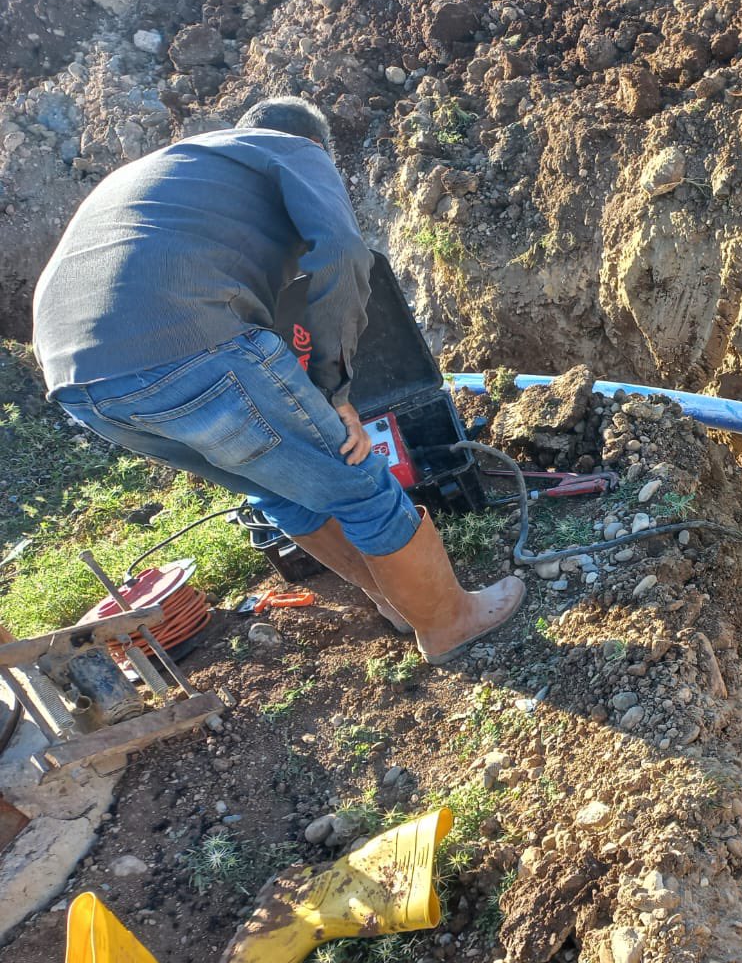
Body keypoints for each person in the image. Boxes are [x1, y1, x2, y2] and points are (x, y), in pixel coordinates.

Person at [31, 96, 523, 664]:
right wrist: (333, 391)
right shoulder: (293, 151)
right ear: (317, 147)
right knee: (358, 482)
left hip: (78, 382)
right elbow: (342, 255)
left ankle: (395, 600)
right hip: (186, 341)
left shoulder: (177, 169)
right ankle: (449, 622)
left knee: (277, 486)